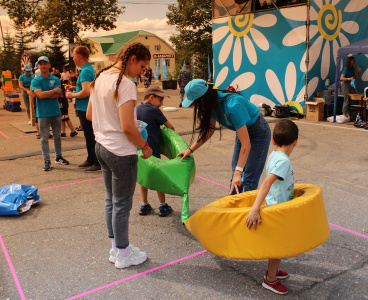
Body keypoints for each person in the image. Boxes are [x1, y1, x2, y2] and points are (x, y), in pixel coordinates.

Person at [86, 42, 152, 269]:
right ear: (132, 58)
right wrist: (145, 146)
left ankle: (116, 248)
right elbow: (127, 127)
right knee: (122, 203)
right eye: (142, 66)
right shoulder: (125, 84)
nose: (142, 72)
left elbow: (89, 114)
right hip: (121, 151)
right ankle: (124, 254)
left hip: (101, 146)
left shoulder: (100, 77)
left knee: (111, 199)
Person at [177, 79, 271, 194]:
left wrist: (239, 170)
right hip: (243, 133)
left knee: (249, 178)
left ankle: (249, 211)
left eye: (193, 103)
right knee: (235, 178)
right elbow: (208, 132)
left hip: (258, 131)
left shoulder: (233, 105)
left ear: (201, 99)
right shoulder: (210, 105)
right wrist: (190, 150)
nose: (193, 107)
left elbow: (246, 144)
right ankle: (234, 210)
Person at [245, 119, 299, 295]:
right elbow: (267, 183)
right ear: (295, 142)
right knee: (278, 248)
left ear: (274, 141)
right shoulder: (283, 161)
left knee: (277, 246)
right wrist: (255, 209)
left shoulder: (274, 155)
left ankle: (272, 271)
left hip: (276, 205)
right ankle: (270, 280)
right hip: (277, 210)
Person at [136, 86, 175, 217]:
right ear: (151, 97)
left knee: (144, 176)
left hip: (141, 148)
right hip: (152, 148)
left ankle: (144, 204)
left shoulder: (137, 108)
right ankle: (163, 205)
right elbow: (171, 126)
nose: (162, 104)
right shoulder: (154, 110)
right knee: (158, 177)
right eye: (160, 100)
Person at [31, 56, 69, 171]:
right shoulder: (36, 80)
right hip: (42, 114)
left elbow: (59, 95)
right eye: (41, 64)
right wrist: (53, 91)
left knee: (57, 137)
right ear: (38, 66)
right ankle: (47, 160)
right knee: (44, 138)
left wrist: (45, 94)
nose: (43, 66)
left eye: (45, 63)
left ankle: (58, 156)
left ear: (49, 65)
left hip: (56, 112)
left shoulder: (56, 79)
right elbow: (40, 95)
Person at [65, 46, 100, 172]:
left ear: (79, 56)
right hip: (85, 107)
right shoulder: (87, 69)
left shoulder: (85, 71)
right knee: (88, 135)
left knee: (90, 135)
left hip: (85, 108)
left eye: (74, 55)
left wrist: (72, 94)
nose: (73, 58)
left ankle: (96, 161)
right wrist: (75, 88)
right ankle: (91, 158)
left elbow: (86, 91)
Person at [53, 73, 78, 137]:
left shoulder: (58, 84)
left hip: (62, 103)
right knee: (63, 118)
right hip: (63, 102)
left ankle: (73, 130)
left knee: (65, 117)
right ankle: (63, 132)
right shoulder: (60, 83)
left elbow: (61, 93)